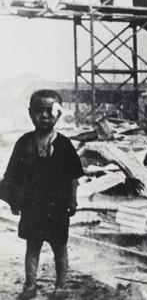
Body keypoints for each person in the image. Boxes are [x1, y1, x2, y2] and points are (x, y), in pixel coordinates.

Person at [0, 90, 84, 300]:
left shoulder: (64, 144)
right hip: (32, 204)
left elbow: (73, 175)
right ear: (30, 113)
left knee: (59, 248)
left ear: (59, 114)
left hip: (57, 205)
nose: (45, 116)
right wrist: (13, 200)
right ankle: (30, 285)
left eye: (50, 111)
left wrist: (72, 200)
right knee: (32, 246)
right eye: (39, 111)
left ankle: (61, 286)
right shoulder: (24, 143)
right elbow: (12, 175)